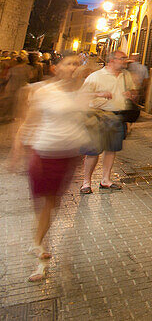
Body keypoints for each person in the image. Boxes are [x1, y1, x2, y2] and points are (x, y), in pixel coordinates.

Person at [9, 53, 90, 281]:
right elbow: (28, 121)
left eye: (77, 63)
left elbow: (85, 119)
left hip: (67, 157)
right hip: (44, 153)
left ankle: (39, 243)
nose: (73, 67)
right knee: (44, 204)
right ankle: (39, 249)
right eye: (69, 63)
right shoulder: (44, 91)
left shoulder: (82, 93)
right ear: (56, 68)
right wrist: (17, 150)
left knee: (51, 203)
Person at [79, 50, 136, 193]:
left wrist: (130, 94)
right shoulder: (96, 76)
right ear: (111, 61)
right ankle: (86, 182)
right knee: (93, 151)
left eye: (125, 58)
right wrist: (98, 94)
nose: (125, 61)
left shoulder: (125, 76)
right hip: (97, 116)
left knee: (111, 149)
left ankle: (106, 180)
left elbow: (133, 92)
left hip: (116, 116)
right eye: (122, 58)